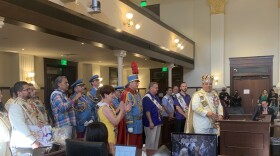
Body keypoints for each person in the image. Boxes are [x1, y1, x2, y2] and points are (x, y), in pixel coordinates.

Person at [9, 81, 41, 155]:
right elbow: (20, 125)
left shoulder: (26, 103)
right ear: (19, 92)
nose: (29, 91)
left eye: (29, 89)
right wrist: (32, 141)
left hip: (31, 141)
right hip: (23, 144)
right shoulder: (15, 105)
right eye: (27, 90)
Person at [96, 85, 124, 155]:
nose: (114, 96)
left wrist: (123, 110)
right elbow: (115, 121)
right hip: (108, 133)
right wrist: (121, 111)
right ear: (105, 95)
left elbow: (116, 116)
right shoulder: (105, 108)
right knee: (111, 153)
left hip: (111, 132)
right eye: (112, 93)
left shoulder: (108, 106)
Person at [120, 74, 142, 148]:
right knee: (132, 145)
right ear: (131, 83)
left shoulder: (137, 93)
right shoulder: (127, 94)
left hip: (139, 122)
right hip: (133, 123)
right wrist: (130, 125)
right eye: (136, 82)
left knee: (138, 146)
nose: (137, 84)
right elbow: (128, 110)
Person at [142, 82, 163, 150]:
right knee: (150, 142)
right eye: (156, 88)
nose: (157, 89)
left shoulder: (156, 97)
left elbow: (158, 107)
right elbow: (147, 111)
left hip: (157, 122)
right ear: (151, 88)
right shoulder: (147, 98)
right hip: (151, 123)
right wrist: (150, 122)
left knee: (156, 142)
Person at [0, 89, 12, 156]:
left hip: (6, 138)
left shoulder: (2, 109)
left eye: (1, 94)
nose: (1, 96)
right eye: (0, 94)